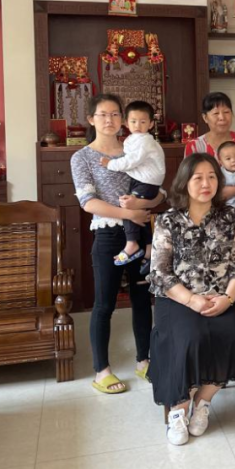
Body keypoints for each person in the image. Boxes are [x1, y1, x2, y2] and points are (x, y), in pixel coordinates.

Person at [147, 153, 235, 446]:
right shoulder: (168, 220)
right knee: (189, 337)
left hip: (222, 295)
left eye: (211, 177)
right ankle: (179, 408)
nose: (206, 183)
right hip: (178, 297)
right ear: (185, 182)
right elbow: (160, 272)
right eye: (198, 178)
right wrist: (191, 300)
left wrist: (228, 298)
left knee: (233, 333)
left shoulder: (231, 216)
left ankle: (203, 401)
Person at [71, 93, 163, 394]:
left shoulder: (135, 146)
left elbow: (159, 191)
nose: (109, 120)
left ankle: (144, 361)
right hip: (109, 235)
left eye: (114, 114)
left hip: (141, 232)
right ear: (91, 119)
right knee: (104, 303)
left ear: (123, 119)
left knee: (142, 299)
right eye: (102, 114)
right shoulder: (82, 157)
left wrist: (148, 204)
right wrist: (130, 214)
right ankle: (102, 371)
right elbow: (88, 202)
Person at [99, 100, 165, 272]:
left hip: (147, 181)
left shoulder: (145, 141)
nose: (138, 125)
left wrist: (109, 164)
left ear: (151, 124)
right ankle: (149, 249)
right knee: (142, 214)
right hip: (144, 180)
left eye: (143, 122)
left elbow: (131, 161)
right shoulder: (134, 139)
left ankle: (131, 244)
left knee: (128, 206)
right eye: (133, 121)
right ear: (126, 123)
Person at [184, 92, 235, 205]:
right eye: (216, 113)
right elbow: (190, 181)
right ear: (205, 117)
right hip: (207, 203)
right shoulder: (195, 146)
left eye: (226, 112)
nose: (222, 117)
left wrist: (232, 191)